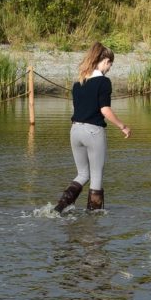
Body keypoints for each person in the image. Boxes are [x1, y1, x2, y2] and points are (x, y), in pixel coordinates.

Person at [54, 42, 131, 213]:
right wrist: (122, 126)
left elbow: (79, 110)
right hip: (93, 132)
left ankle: (59, 207)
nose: (110, 68)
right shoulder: (104, 82)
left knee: (83, 174)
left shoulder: (77, 84)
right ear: (103, 61)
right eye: (110, 63)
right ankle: (93, 220)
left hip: (75, 131)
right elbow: (105, 110)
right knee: (96, 177)